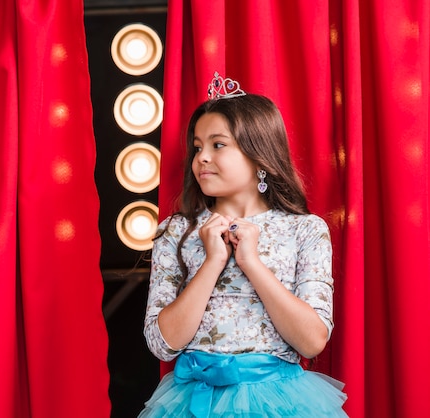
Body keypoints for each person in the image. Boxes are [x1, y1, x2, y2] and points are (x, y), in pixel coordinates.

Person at [138, 73, 348, 417]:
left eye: (218, 144)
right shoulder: (176, 231)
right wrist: (211, 263)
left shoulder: (305, 230)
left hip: (281, 402)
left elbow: (312, 341)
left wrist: (251, 262)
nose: (202, 157)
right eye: (197, 147)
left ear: (259, 156)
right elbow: (162, 344)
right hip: (192, 402)